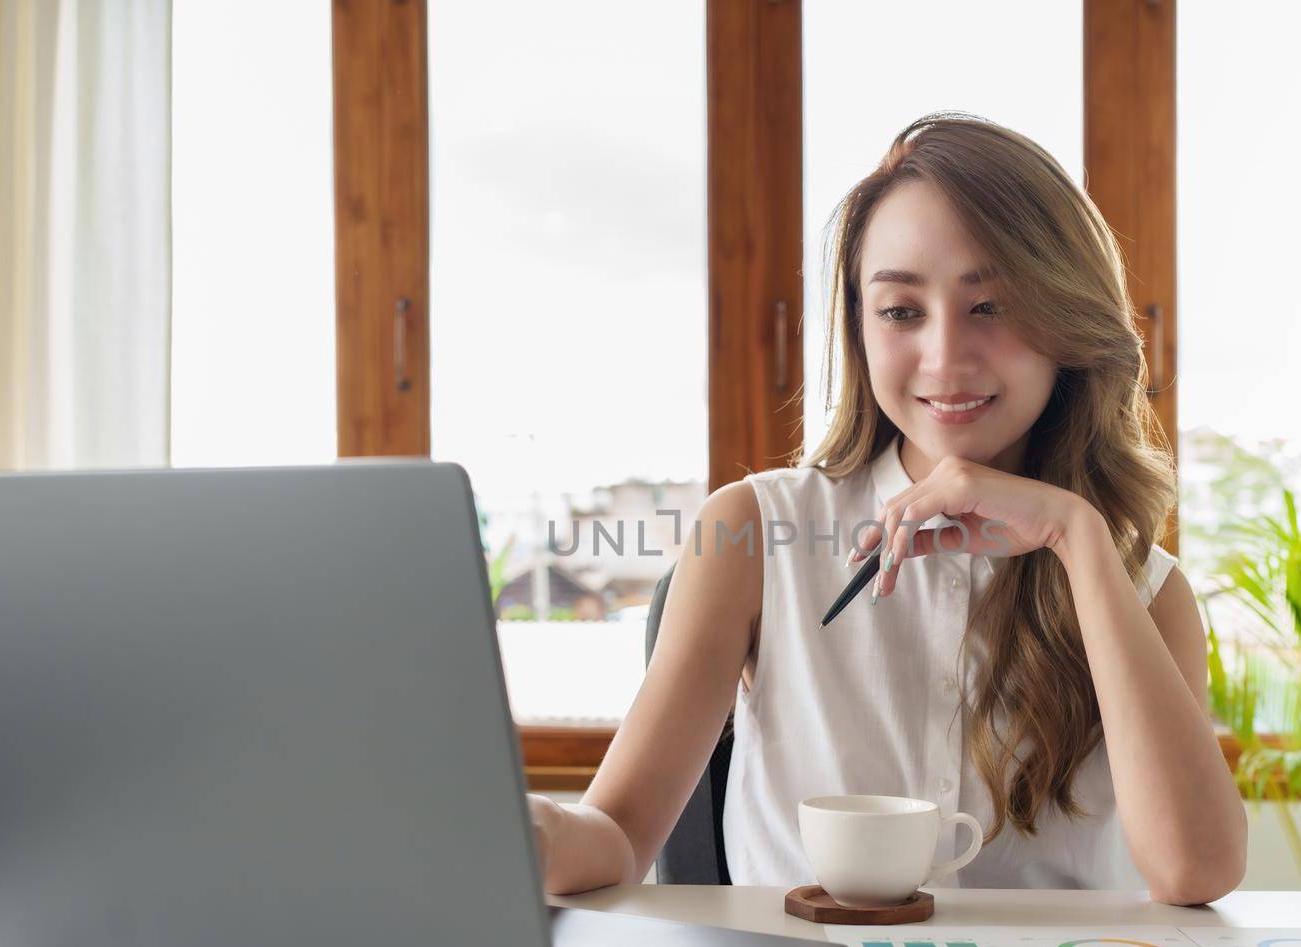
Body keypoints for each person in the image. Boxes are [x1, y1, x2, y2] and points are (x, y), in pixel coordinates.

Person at [529, 113, 1247, 905]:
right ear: (860, 329)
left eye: (992, 305)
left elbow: (1194, 870)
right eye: (902, 311)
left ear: (1066, 319)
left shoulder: (1144, 585)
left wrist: (1076, 537)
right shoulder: (751, 535)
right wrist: (535, 831)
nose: (945, 356)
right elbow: (623, 832)